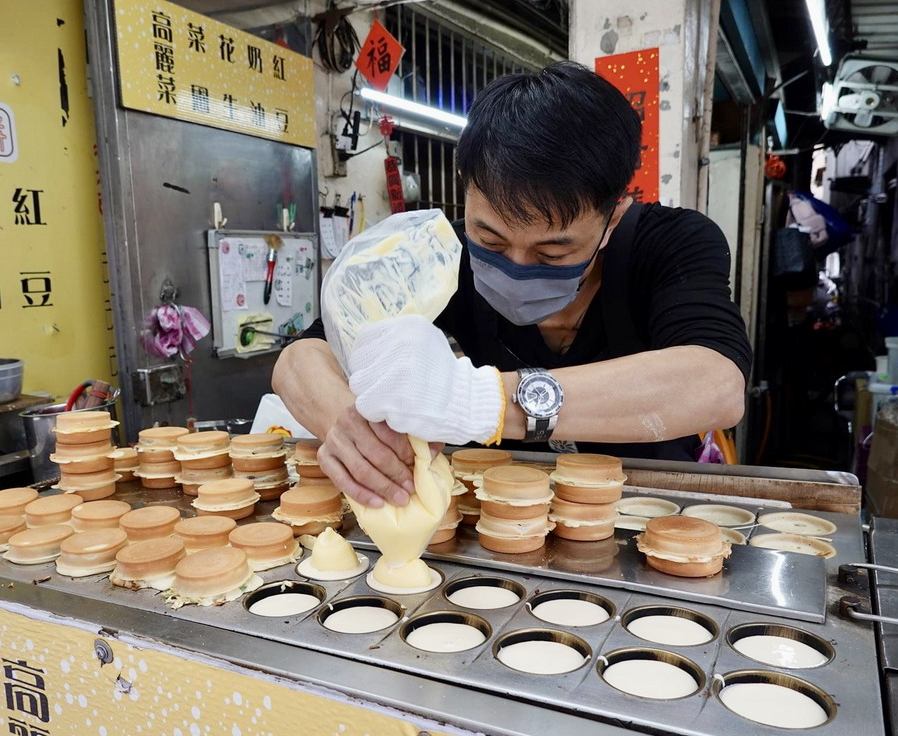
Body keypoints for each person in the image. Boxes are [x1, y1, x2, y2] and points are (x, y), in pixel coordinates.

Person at [273, 61, 751, 509]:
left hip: (644, 507)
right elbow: (303, 357)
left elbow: (717, 383)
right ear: (465, 188)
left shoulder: (671, 243)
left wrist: (478, 401)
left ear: (613, 218)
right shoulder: (442, 256)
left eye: (552, 253)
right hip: (503, 508)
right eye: (491, 239)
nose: (518, 266)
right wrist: (346, 424)